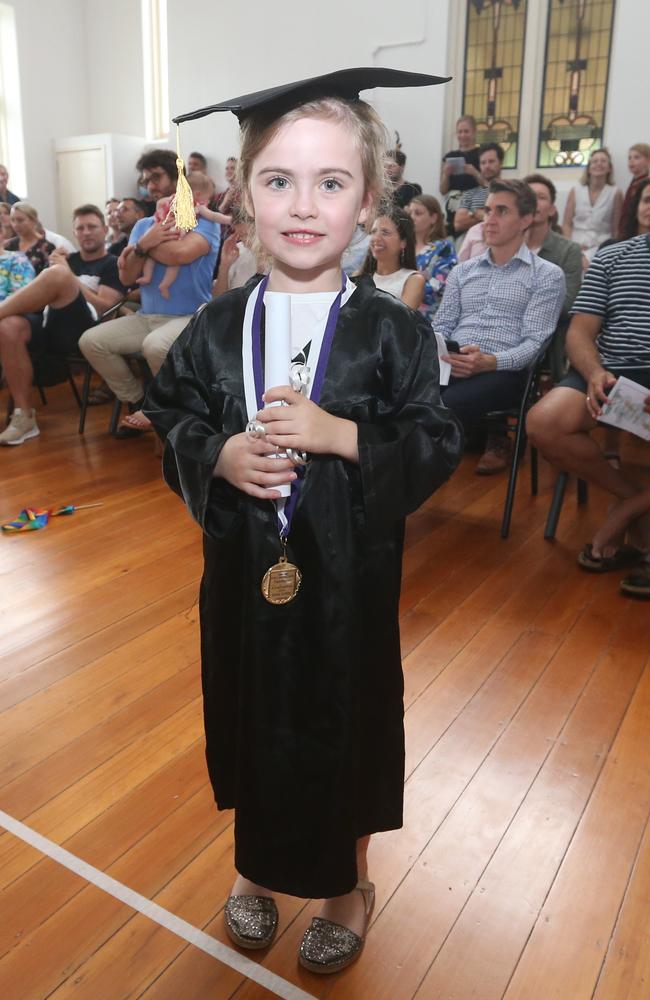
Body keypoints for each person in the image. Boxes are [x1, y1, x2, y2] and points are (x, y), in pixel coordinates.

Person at [143, 67, 462, 974]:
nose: (304, 204)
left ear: (370, 199)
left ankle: (345, 886)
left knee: (345, 729)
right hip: (245, 581)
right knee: (253, 717)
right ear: (243, 196)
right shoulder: (215, 325)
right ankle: (255, 871)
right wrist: (217, 457)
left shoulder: (394, 332)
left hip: (348, 589)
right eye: (279, 181)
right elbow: (173, 415)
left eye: (332, 181)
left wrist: (345, 436)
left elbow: (434, 439)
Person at [526, 232, 650, 566]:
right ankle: (633, 497)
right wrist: (595, 373)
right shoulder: (613, 257)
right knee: (543, 423)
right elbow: (579, 332)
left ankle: (629, 512)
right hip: (610, 371)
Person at [79, 168, 221, 437]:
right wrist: (144, 244)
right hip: (147, 317)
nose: (150, 187)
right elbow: (127, 275)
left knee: (154, 346)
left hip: (191, 317)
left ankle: (173, 417)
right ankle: (140, 402)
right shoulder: (144, 226)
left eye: (157, 179)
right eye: (146, 181)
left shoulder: (202, 221)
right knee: (91, 341)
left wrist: (143, 247)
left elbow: (181, 254)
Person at [435, 179, 565, 474]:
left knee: (441, 406)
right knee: (398, 393)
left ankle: (403, 484)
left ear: (526, 219)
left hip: (505, 373)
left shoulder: (546, 275)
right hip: (451, 363)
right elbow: (441, 325)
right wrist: (446, 353)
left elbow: (534, 345)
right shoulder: (463, 271)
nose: (489, 220)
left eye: (501, 211)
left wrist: (489, 362)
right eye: (487, 210)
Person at [0, 204, 125, 446]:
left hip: (85, 327)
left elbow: (104, 308)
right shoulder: (69, 257)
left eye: (92, 227)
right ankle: (24, 418)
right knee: (9, 326)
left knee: (57, 275)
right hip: (49, 321)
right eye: (80, 228)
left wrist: (69, 277)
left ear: (104, 229)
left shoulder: (112, 263)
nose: (86, 232)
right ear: (74, 233)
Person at [523, 173, 584, 381]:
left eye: (540, 197)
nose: (533, 201)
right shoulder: (506, 248)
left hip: (547, 337)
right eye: (527, 196)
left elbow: (567, 305)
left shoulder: (569, 250)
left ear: (552, 209)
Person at [137, 173, 231, 299]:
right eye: (208, 198)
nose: (207, 202)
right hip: (174, 234)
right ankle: (165, 284)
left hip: (161, 232)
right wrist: (229, 219)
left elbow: (159, 203)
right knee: (174, 265)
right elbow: (214, 216)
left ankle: (147, 276)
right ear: (197, 195)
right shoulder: (198, 207)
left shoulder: (172, 198)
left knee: (152, 258)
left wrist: (162, 215)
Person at [562, 147, 623, 267]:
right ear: (589, 168)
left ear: (609, 168)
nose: (599, 164)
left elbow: (616, 228)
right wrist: (572, 247)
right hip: (574, 246)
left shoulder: (616, 193)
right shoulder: (575, 191)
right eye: (595, 161)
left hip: (601, 248)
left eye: (603, 161)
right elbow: (567, 223)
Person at [357, 205, 425, 309]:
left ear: (403, 242)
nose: (376, 238)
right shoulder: (359, 275)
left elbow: (400, 321)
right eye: (373, 232)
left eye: (385, 233)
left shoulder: (413, 280)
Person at [407, 194, 457, 321]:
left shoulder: (443, 248)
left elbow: (442, 287)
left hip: (427, 318)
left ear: (433, 218)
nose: (412, 217)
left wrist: (413, 281)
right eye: (410, 213)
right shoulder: (402, 246)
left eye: (418, 213)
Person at [439, 115, 482, 235]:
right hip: (452, 210)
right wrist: (446, 175)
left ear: (474, 132)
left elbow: (487, 185)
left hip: (472, 210)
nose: (462, 135)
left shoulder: (481, 155)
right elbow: (443, 190)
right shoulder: (450, 156)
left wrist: (474, 173)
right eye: (460, 132)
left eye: (466, 131)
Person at [453, 143, 504, 235]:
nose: (487, 166)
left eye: (491, 161)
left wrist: (474, 213)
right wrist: (478, 214)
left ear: (501, 163)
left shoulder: (509, 191)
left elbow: (507, 221)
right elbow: (458, 223)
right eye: (483, 163)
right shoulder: (470, 193)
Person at [4, 202, 55, 274]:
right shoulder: (8, 245)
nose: (15, 225)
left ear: (34, 221)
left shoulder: (47, 247)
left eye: (20, 220)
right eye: (12, 220)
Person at [617, 142, 650, 240]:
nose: (631, 161)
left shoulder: (646, 185)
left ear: (648, 160)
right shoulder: (633, 182)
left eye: (637, 157)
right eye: (629, 158)